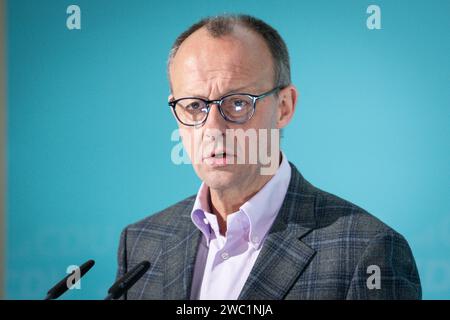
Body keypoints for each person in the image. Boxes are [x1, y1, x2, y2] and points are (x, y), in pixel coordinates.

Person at [115, 14, 421, 299]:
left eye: (237, 103)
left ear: (284, 107)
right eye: (194, 106)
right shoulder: (141, 242)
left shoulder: (368, 252)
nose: (212, 128)